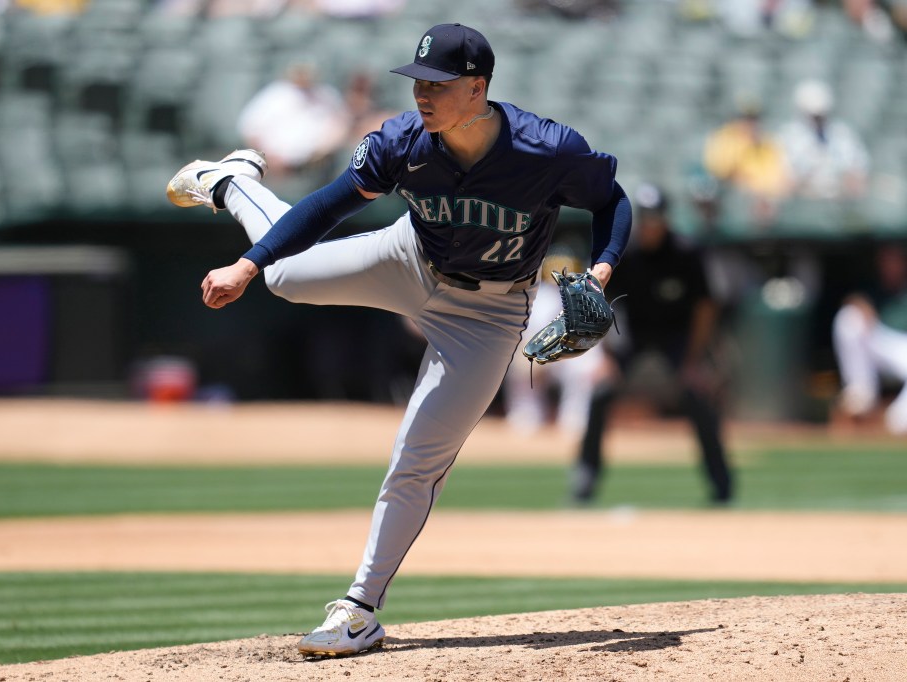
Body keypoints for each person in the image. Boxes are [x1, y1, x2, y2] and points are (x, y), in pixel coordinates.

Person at [166, 22, 631, 657]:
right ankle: (232, 181)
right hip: (408, 258)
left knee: (417, 456)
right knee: (278, 274)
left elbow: (613, 200)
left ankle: (358, 611)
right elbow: (327, 207)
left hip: (488, 315)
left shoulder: (545, 149)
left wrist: (600, 271)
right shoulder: (402, 141)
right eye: (417, 82)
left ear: (477, 87)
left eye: (437, 84)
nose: (422, 95)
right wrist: (246, 267)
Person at [572, 183, 733, 505]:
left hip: (678, 337)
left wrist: (693, 361)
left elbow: (705, 308)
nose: (650, 225)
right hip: (634, 335)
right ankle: (586, 477)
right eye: (645, 218)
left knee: (696, 396)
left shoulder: (686, 252)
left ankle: (721, 484)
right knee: (602, 393)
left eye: (655, 218)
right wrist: (605, 356)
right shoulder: (626, 254)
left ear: (666, 219)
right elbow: (600, 303)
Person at [501, 249, 608, 436]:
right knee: (523, 362)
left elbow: (591, 338)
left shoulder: (586, 295)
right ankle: (526, 416)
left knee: (587, 366)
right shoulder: (536, 296)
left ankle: (575, 419)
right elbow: (524, 337)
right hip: (540, 353)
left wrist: (600, 361)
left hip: (569, 358)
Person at [832, 242, 907, 435]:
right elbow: (852, 298)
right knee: (848, 318)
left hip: (903, 344)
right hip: (879, 338)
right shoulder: (871, 285)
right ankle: (861, 395)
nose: (891, 266)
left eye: (896, 260)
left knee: (899, 423)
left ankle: (898, 418)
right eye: (886, 261)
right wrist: (859, 304)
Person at [236, 61, 352, 179]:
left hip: (316, 168)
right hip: (275, 169)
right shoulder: (275, 94)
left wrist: (322, 152)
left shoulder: (326, 94)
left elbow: (342, 124)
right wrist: (266, 158)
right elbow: (250, 129)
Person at [702, 96, 790, 228]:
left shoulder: (767, 141)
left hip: (767, 202)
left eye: (754, 118)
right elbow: (721, 173)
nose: (750, 122)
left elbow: (780, 176)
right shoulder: (723, 138)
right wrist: (743, 144)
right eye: (745, 117)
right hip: (733, 201)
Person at [778, 79, 870, 201]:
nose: (818, 120)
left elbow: (858, 169)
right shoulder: (788, 136)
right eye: (814, 116)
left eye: (821, 115)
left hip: (839, 199)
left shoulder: (841, 133)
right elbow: (786, 179)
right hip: (802, 200)